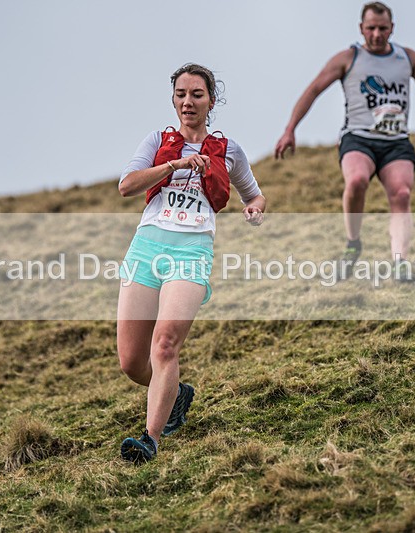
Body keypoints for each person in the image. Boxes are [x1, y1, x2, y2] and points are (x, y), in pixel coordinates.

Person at [275, 2, 415, 277]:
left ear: (392, 28)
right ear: (361, 28)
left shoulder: (408, 58)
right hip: (358, 138)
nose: (377, 34)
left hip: (396, 142)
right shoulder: (347, 58)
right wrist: (290, 129)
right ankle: (353, 244)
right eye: (371, 28)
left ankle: (399, 261)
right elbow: (313, 90)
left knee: (402, 194)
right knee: (356, 180)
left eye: (383, 28)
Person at [116, 63, 266, 464]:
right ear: (173, 100)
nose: (188, 101)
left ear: (210, 101)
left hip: (192, 252)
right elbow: (127, 186)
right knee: (132, 361)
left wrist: (254, 210)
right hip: (147, 247)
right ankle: (176, 392)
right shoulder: (157, 140)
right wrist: (175, 165)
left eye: (197, 94)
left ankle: (149, 439)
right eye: (181, 94)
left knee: (164, 345)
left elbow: (255, 194)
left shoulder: (228, 150)